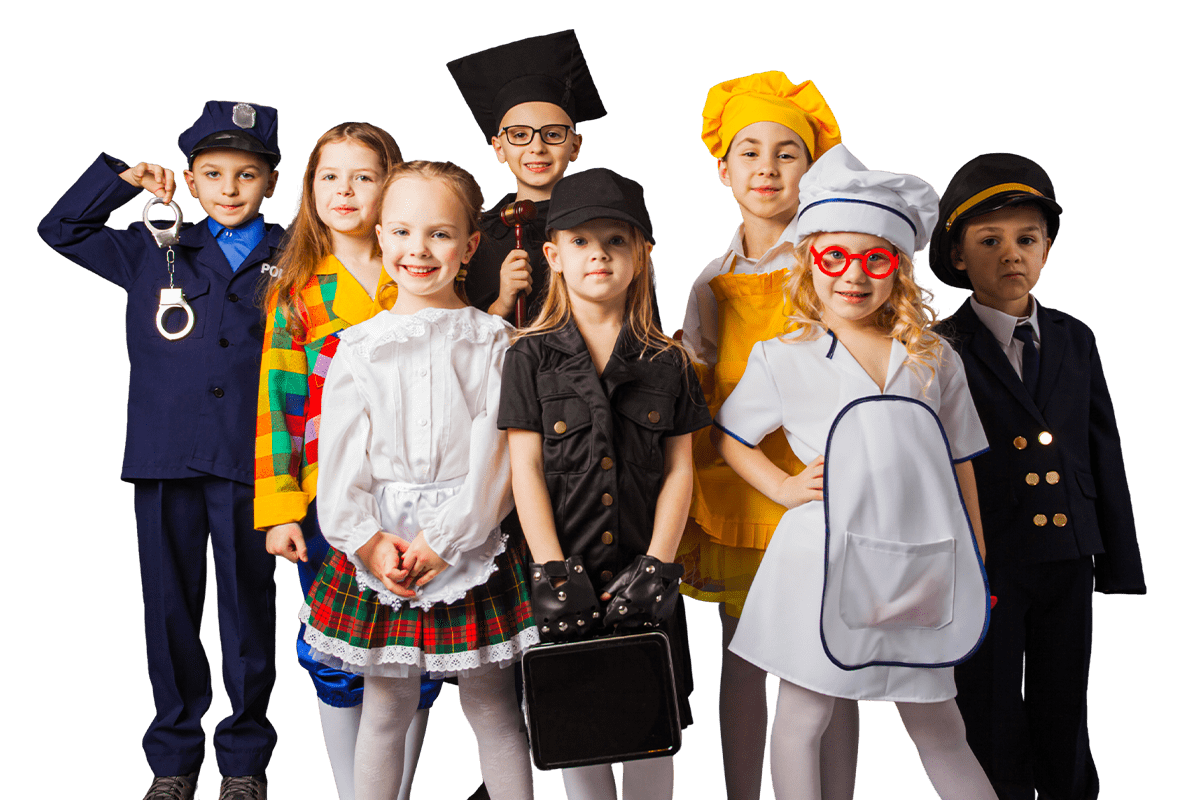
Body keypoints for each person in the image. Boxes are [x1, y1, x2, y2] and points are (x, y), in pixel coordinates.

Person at [712, 145, 999, 800]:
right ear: (808, 263)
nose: (853, 277)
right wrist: (782, 487)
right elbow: (731, 437)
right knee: (804, 717)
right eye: (833, 257)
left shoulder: (934, 361)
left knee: (938, 723)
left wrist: (977, 560)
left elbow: (962, 465)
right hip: (819, 561)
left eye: (875, 260)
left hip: (918, 563)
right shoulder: (784, 356)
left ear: (897, 270)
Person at [38, 100, 284, 800]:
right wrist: (121, 180)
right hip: (165, 455)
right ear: (189, 180)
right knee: (170, 613)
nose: (229, 188)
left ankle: (244, 763)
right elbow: (60, 228)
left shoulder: (295, 252)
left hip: (251, 460)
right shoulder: (154, 243)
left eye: (246, 174)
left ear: (271, 182)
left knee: (246, 617)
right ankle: (173, 760)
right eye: (213, 174)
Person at [300, 160, 538, 800]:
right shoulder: (356, 347)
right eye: (401, 231)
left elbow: (501, 457)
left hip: (472, 541)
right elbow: (341, 461)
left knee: (493, 711)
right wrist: (368, 543)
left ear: (470, 245)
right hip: (383, 545)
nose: (417, 249)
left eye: (438, 234)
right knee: (385, 712)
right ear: (380, 236)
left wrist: (448, 538)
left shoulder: (497, 341)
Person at [929, 153, 1146, 800]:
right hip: (988, 555)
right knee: (990, 706)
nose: (1011, 255)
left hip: (1068, 553)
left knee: (1064, 700)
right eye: (989, 242)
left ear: (1047, 250)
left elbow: (1102, 447)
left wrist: (1115, 558)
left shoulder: (1075, 337)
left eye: (1026, 239)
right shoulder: (940, 346)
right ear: (959, 256)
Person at [500, 167, 711, 800]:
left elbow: (681, 469)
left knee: (655, 726)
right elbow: (525, 469)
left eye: (616, 241)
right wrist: (552, 570)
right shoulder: (528, 356)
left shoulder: (668, 360)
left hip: (645, 576)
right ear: (553, 256)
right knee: (578, 728)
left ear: (642, 255)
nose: (599, 255)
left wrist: (658, 566)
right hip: (566, 577)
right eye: (582, 241)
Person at [675, 71, 857, 800]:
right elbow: (695, 388)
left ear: (811, 168)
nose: (767, 168)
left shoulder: (835, 265)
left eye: (788, 152)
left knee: (830, 662)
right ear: (724, 170)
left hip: (824, 486)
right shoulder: (709, 280)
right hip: (742, 492)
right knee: (743, 659)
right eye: (750, 152)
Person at [254, 122, 442, 800]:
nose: (346, 190)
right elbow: (278, 402)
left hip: (414, 499)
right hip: (326, 503)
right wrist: (279, 509)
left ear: (390, 186)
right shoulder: (298, 288)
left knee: (415, 656)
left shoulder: (417, 271)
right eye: (330, 176)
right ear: (307, 189)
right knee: (336, 655)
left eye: (363, 176)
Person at [446, 29, 606, 326]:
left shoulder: (603, 224)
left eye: (553, 135)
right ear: (498, 148)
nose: (537, 147)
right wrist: (503, 302)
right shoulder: (479, 235)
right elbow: (459, 337)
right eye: (519, 135)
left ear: (575, 146)